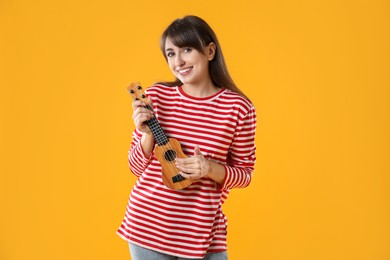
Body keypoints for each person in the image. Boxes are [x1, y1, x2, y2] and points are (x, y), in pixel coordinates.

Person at [117, 15, 257, 260]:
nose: (178, 61)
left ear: (210, 50)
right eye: (170, 54)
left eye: (187, 50)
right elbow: (135, 167)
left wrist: (210, 168)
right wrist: (146, 136)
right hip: (148, 226)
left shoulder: (238, 108)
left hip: (202, 230)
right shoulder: (156, 96)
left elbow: (244, 175)